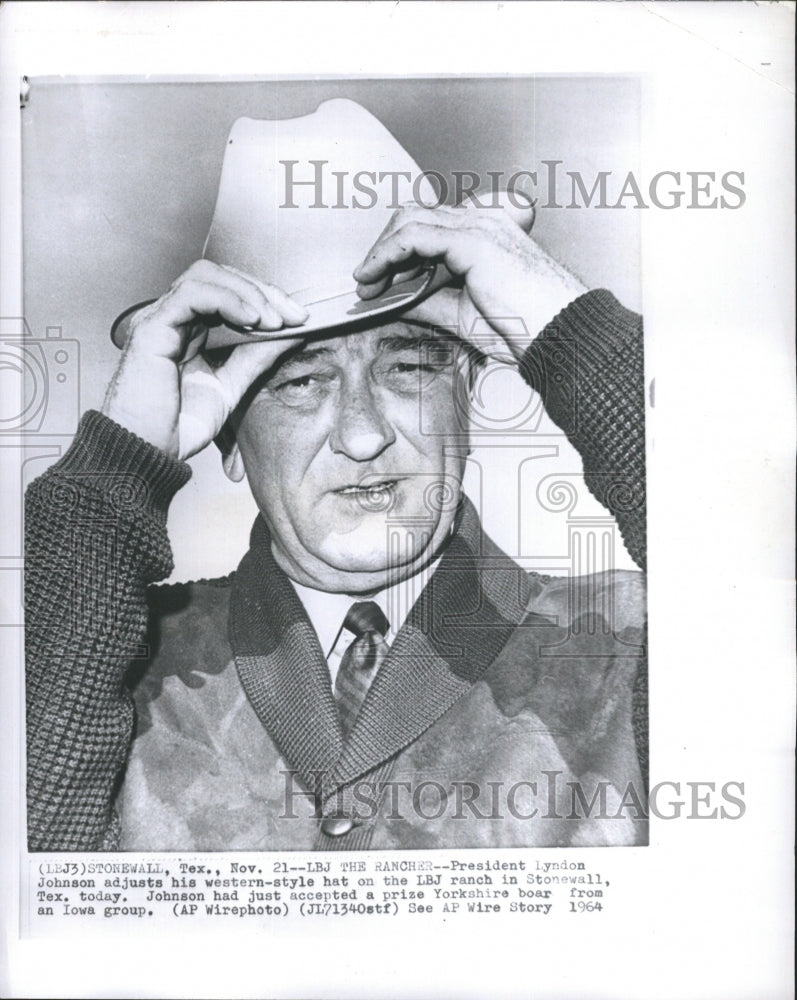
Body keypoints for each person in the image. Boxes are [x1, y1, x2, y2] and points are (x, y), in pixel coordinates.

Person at [25, 112, 647, 853]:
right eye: (299, 382)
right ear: (227, 439)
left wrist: (571, 338)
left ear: (469, 393)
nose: (363, 434)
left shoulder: (626, 638)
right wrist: (116, 470)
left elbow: (740, 532)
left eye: (409, 367)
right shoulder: (101, 663)